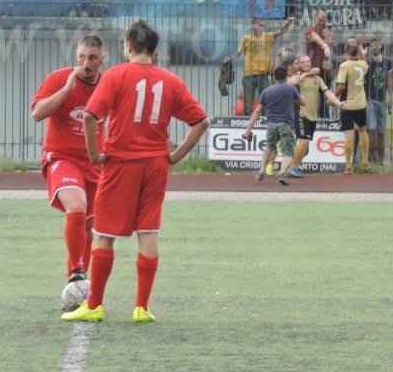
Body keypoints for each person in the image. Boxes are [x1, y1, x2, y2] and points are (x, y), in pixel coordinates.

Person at [62, 21, 209, 323]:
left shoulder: (116, 74)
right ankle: (141, 307)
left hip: (121, 163)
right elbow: (201, 122)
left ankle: (94, 305)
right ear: (155, 51)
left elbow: (90, 116)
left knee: (104, 234)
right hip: (155, 165)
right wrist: (176, 155)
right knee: (148, 231)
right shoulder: (171, 81)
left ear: (127, 47)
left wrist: (93, 154)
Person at [31, 35, 105, 300]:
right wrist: (66, 90)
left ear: (102, 59)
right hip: (61, 157)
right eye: (82, 57)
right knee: (76, 207)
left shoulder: (108, 84)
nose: (86, 63)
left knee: (90, 226)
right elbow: (37, 113)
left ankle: (80, 282)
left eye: (92, 58)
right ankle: (75, 272)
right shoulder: (59, 78)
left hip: (94, 162)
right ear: (76, 55)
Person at [243, 65, 303, 184]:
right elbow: (303, 102)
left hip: (271, 124)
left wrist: (248, 129)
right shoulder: (291, 89)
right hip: (286, 124)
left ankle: (261, 170)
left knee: (270, 147)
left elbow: (257, 111)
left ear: (273, 77)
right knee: (288, 151)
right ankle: (281, 172)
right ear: (286, 77)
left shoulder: (266, 91)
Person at [285, 54, 344, 177]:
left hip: (312, 116)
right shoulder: (297, 77)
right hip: (300, 114)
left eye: (308, 61)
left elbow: (327, 92)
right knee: (304, 141)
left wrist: (338, 103)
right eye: (303, 62)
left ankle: (289, 166)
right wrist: (306, 74)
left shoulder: (318, 79)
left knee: (304, 147)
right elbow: (290, 83)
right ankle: (293, 168)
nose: (307, 63)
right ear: (299, 65)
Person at [227, 16, 294, 116]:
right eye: (260, 25)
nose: (262, 27)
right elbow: (238, 52)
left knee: (266, 101)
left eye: (263, 25)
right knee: (248, 105)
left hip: (263, 75)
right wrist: (230, 59)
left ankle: (264, 122)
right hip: (249, 74)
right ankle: (248, 122)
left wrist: (287, 24)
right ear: (253, 25)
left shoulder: (268, 36)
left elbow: (280, 31)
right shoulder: (246, 38)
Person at [333, 40, 370, 175]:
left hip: (347, 104)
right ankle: (365, 163)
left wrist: (332, 97)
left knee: (349, 133)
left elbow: (341, 86)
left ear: (346, 51)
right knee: (363, 130)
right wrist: (360, 47)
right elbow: (364, 59)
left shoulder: (344, 66)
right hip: (361, 103)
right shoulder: (363, 64)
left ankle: (348, 165)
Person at [366, 40, 393, 166]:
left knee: (381, 131)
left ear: (380, 47)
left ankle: (381, 159)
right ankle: (372, 155)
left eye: (375, 45)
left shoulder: (387, 61)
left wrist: (390, 97)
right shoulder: (367, 61)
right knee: (371, 129)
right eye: (371, 46)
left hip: (382, 99)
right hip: (370, 99)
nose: (373, 47)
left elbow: (389, 78)